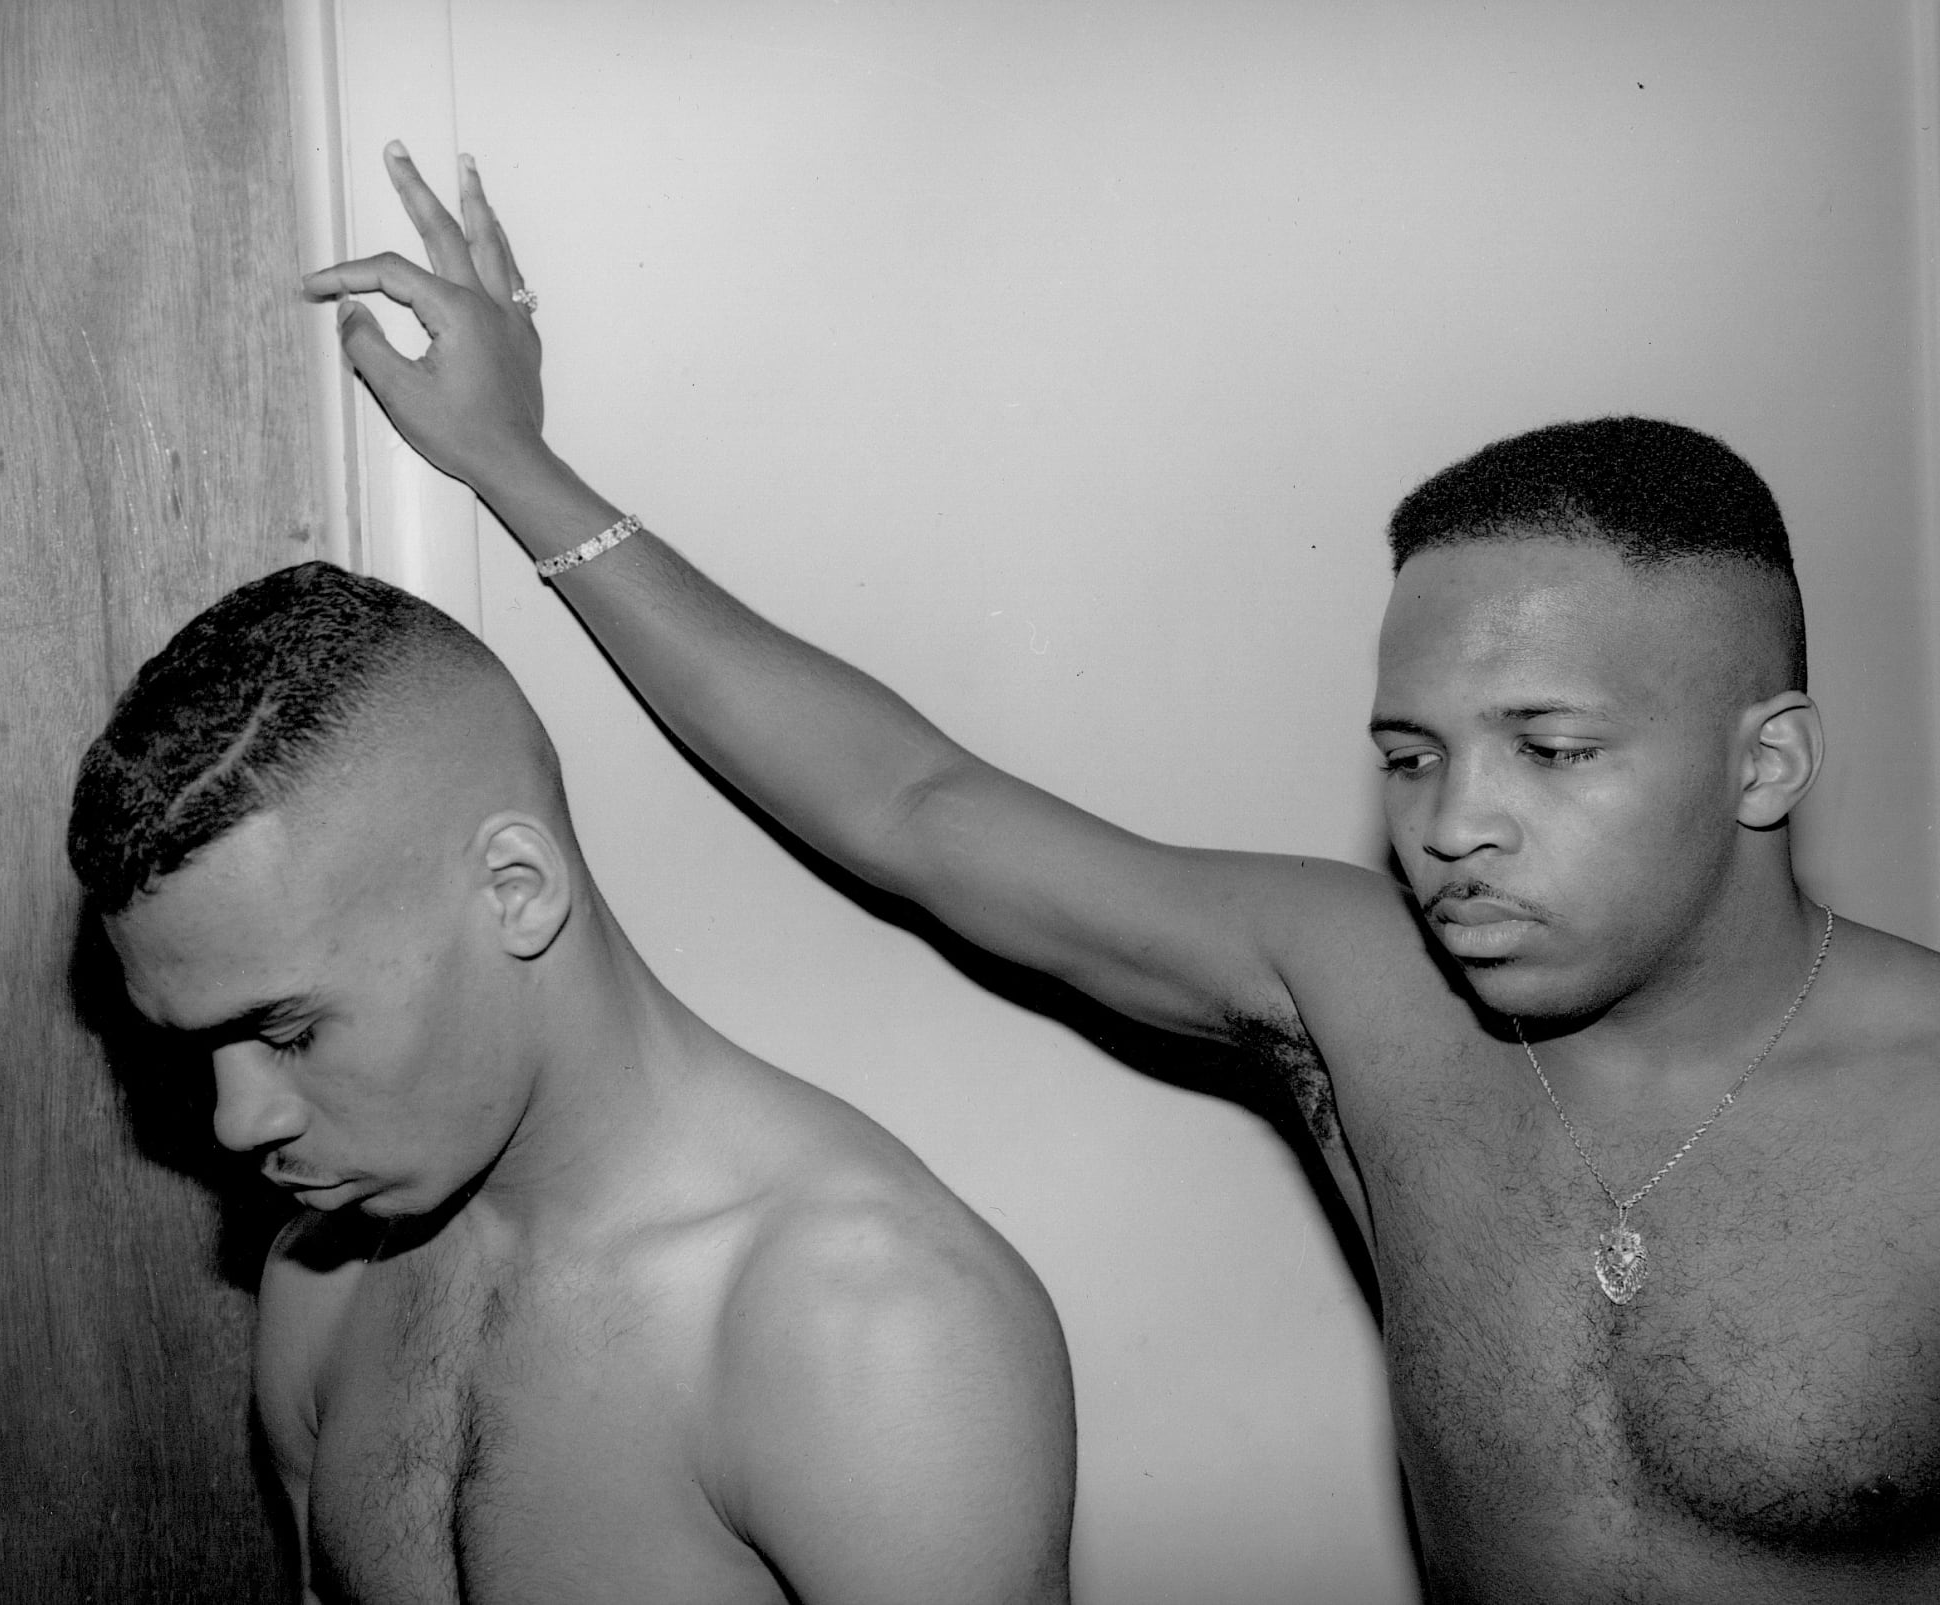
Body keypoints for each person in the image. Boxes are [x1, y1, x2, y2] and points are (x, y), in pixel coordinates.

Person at [305, 143, 1940, 1602]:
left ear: (1764, 763)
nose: (1455, 824)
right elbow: (914, 804)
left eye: (1553, 749)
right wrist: (514, 466)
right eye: (1412, 755)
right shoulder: (1374, 1003)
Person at [65, 562, 1075, 1603]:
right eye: (197, 1049)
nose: (237, 1121)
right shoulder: (323, 1283)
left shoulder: (868, 1327)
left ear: (515, 891)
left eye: (289, 1032)